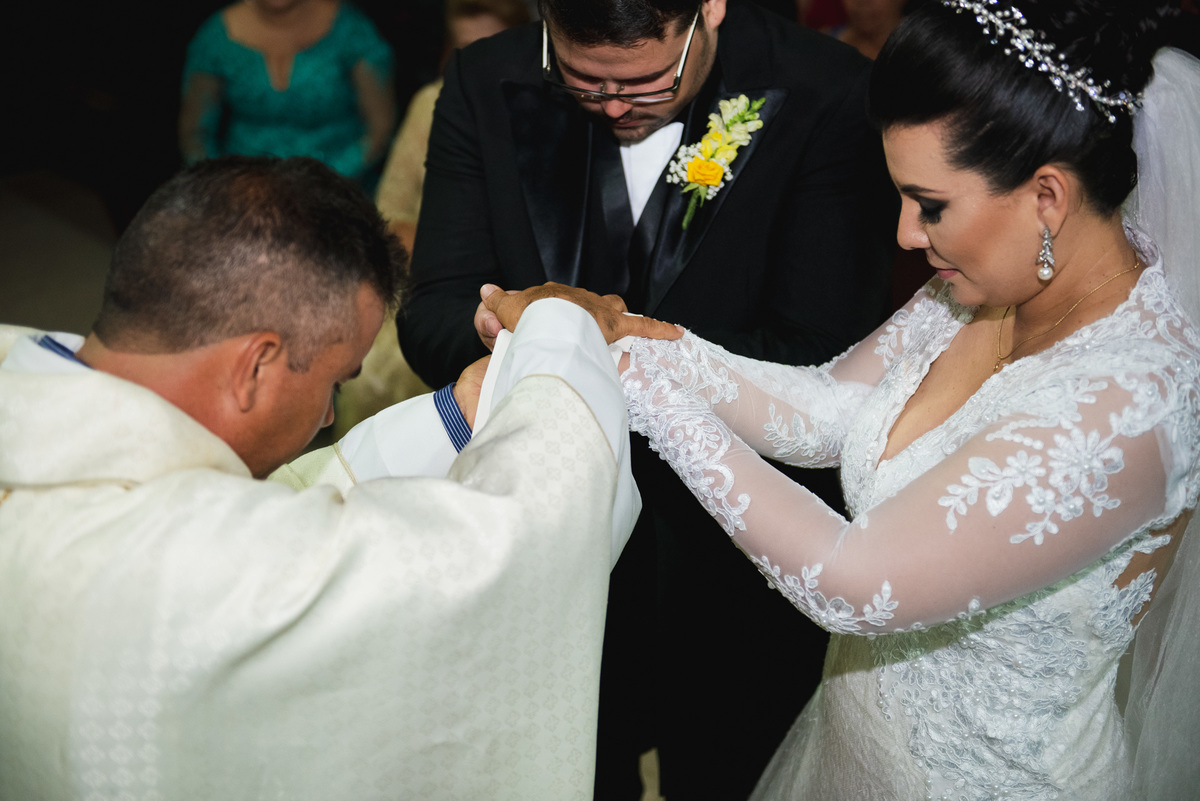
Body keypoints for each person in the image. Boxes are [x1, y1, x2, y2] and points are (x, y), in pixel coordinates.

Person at [480, 1, 1200, 797]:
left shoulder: (1131, 406)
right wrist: (629, 335)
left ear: (1048, 197)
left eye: (931, 205)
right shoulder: (980, 290)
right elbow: (824, 410)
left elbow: (859, 583)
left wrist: (642, 387)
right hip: (853, 750)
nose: (905, 234)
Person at [0, 156, 679, 800]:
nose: (329, 415)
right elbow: (511, 543)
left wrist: (458, 417)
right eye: (334, 382)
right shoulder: (191, 565)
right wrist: (562, 335)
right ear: (254, 367)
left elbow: (273, 501)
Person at [398, 0, 897, 794]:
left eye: (646, 81)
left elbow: (817, 351)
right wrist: (511, 322)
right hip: (545, 544)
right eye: (583, 80)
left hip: (728, 557)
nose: (615, 106)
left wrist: (585, 335)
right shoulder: (484, 79)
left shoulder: (828, 91)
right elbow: (429, 321)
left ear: (710, 9)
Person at [334, 0, 532, 438]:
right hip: (435, 280)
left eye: (493, 48)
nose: (481, 65)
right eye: (466, 51)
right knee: (371, 374)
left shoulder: (547, 108)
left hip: (523, 293)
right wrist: (445, 255)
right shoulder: (431, 104)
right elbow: (391, 212)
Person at [178, 0, 395, 192]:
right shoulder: (215, 36)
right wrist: (223, 188)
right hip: (244, 195)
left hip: (341, 190)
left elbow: (380, 126)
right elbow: (195, 133)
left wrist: (331, 181)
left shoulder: (352, 30)